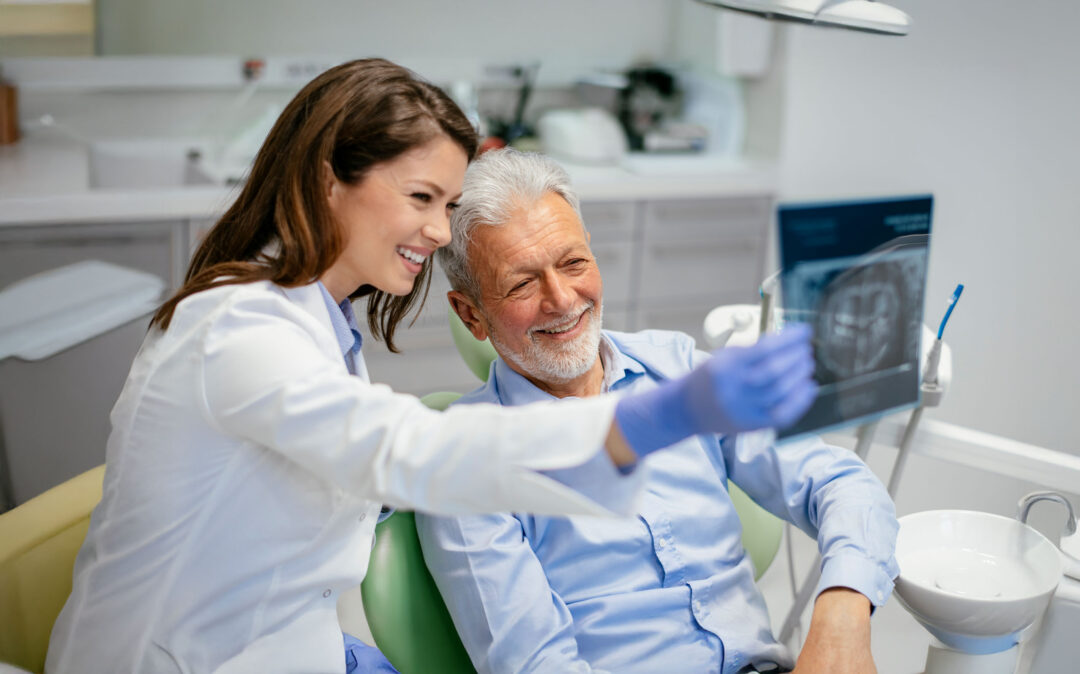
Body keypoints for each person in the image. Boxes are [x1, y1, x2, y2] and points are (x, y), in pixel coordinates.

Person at [44, 60, 817, 673]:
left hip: (299, 646)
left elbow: (340, 468)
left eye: (447, 204)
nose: (441, 232)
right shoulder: (238, 329)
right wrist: (661, 416)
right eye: (422, 196)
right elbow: (399, 450)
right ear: (327, 181)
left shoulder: (326, 335)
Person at [417, 148, 900, 674]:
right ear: (471, 315)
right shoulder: (463, 467)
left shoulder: (678, 370)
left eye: (573, 262)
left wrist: (841, 617)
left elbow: (841, 484)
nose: (561, 299)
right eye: (522, 283)